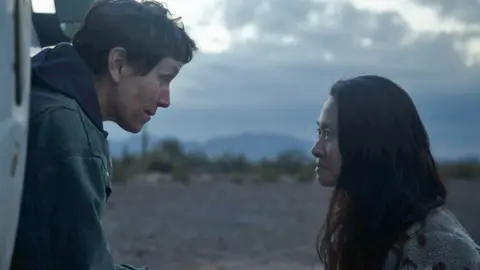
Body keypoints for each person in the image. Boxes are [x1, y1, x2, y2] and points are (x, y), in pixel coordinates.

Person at [11, 0, 197, 269]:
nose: (166, 99)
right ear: (118, 64)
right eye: (164, 78)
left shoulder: (39, 96)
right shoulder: (67, 132)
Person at [311, 75, 480, 269]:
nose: (316, 149)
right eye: (320, 132)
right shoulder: (363, 225)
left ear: (371, 144)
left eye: (329, 134)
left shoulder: (440, 248)